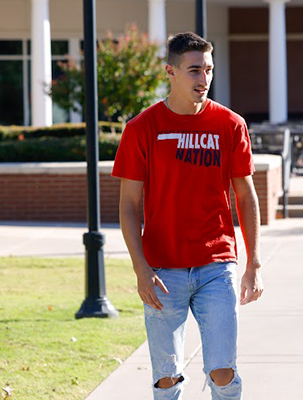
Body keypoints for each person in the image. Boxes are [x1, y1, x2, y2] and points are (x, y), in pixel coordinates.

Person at [112, 31, 263, 400]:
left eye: (208, 70)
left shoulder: (230, 124)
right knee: (166, 378)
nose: (204, 79)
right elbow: (129, 205)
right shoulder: (142, 128)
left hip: (217, 265)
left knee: (223, 373)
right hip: (163, 271)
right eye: (194, 70)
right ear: (171, 71)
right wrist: (140, 268)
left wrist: (253, 261)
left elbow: (245, 194)